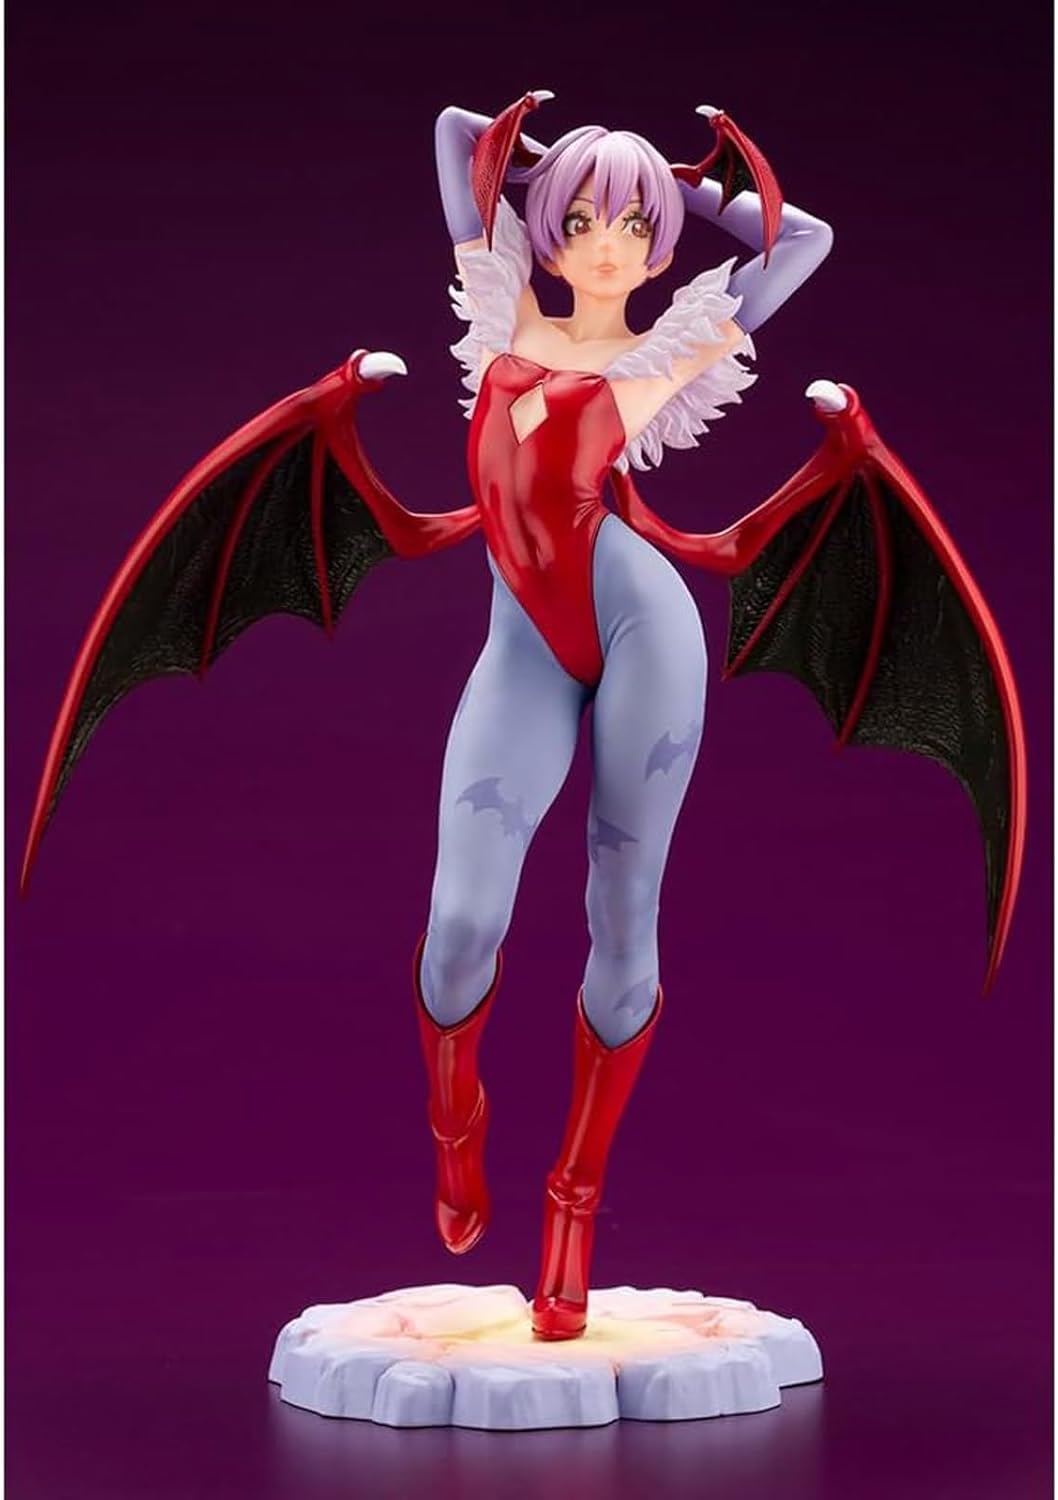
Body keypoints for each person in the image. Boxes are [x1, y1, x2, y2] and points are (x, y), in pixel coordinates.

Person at [416, 92, 833, 1340]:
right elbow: (455, 133)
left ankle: (574, 1203)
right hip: (522, 647)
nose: (609, 244)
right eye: (585, 219)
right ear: (547, 227)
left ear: (659, 250)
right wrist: (574, 161)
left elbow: (802, 239)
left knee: (621, 912)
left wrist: (671, 183)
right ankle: (454, 1118)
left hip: (645, 635)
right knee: (460, 920)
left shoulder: (672, 351)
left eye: (635, 227)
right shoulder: (499, 304)